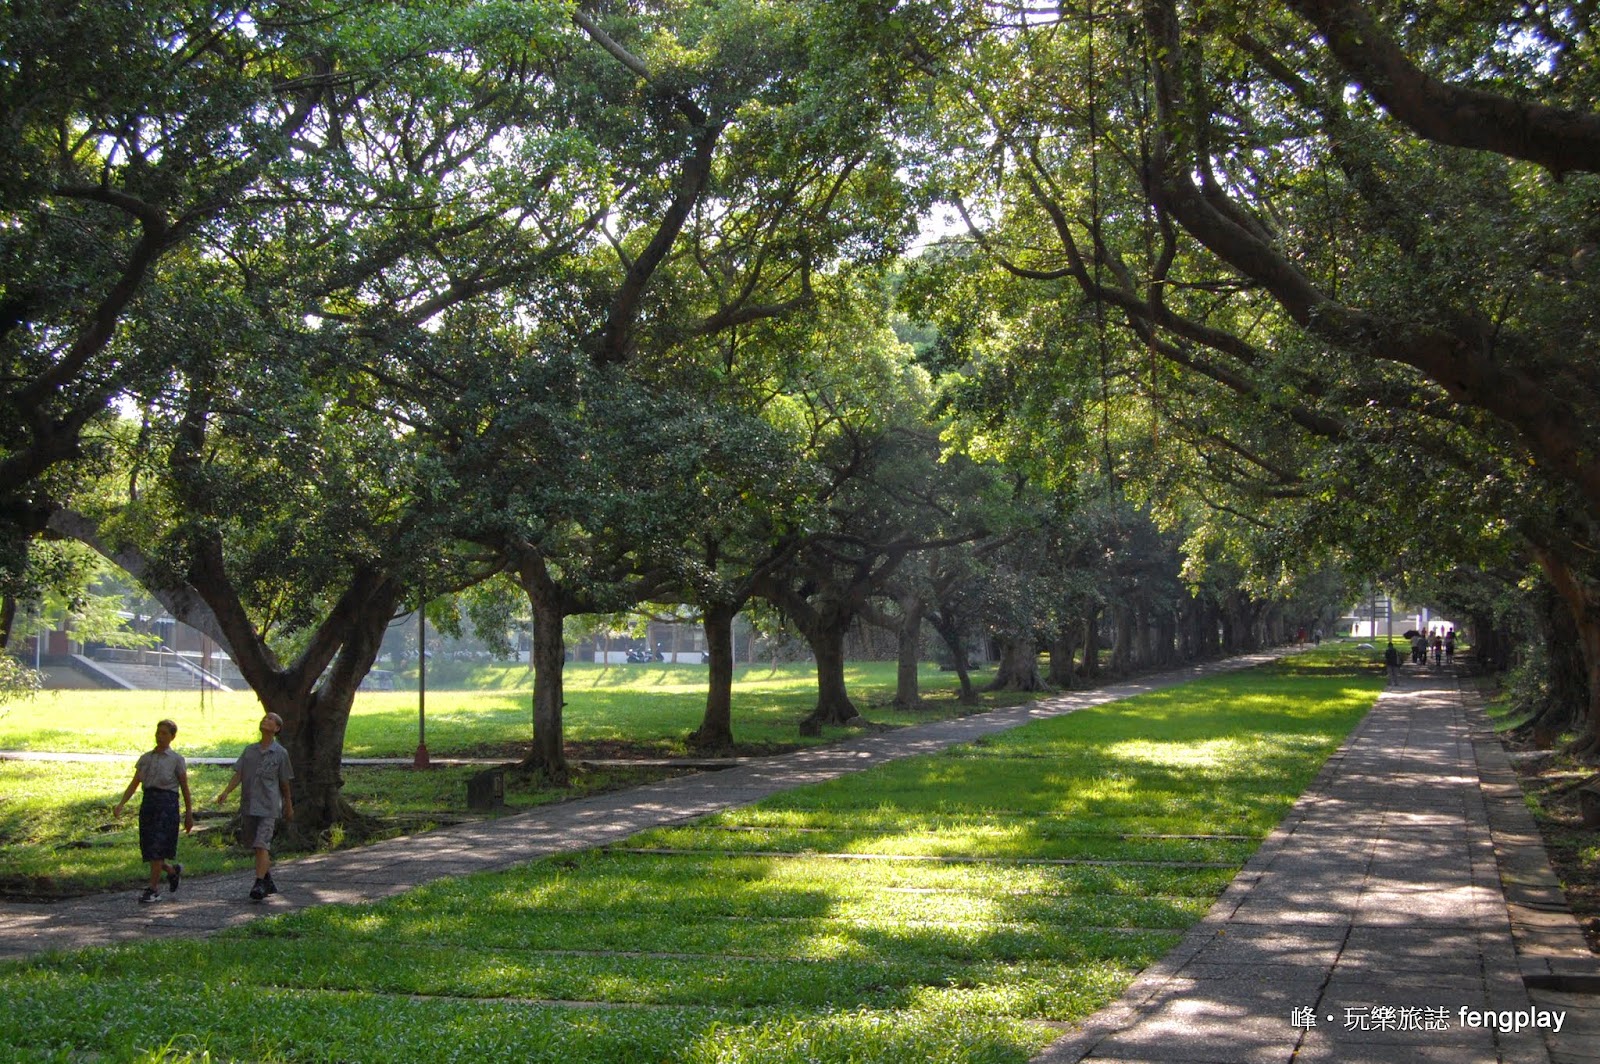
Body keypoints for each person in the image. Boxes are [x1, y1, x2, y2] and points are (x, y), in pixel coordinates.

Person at [215, 711, 294, 901]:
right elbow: (239, 774)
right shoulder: (249, 750)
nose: (265, 720)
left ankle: (259, 883)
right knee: (253, 844)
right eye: (264, 718)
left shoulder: (281, 753)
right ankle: (267, 878)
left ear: (277, 728)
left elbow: (284, 782)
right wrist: (226, 791)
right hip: (249, 804)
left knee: (261, 843)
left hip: (269, 806)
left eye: (270, 719)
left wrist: (288, 805)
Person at [113, 718, 194, 903]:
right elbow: (135, 783)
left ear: (172, 737)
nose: (160, 737)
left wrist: (189, 814)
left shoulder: (176, 760)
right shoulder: (146, 759)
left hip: (167, 804)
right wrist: (121, 803)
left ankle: (153, 889)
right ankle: (172, 872)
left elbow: (184, 787)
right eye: (158, 733)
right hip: (149, 802)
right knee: (150, 849)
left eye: (164, 733)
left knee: (158, 848)